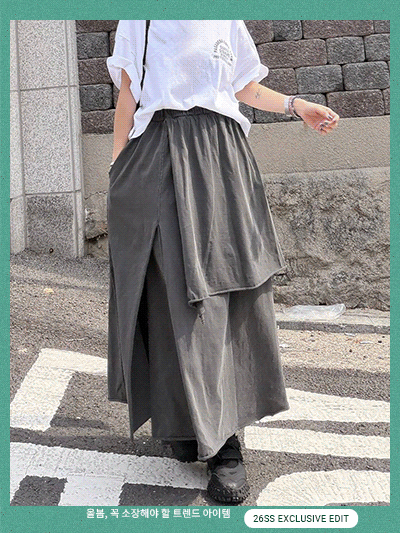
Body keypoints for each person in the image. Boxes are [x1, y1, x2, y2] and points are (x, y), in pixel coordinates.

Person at [106, 20, 339, 504]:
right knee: (169, 291)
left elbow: (244, 86)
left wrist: (296, 106)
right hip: (156, 153)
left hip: (221, 154)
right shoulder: (138, 17)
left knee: (223, 291)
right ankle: (183, 419)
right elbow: (128, 92)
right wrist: (116, 166)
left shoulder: (225, 17)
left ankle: (226, 442)